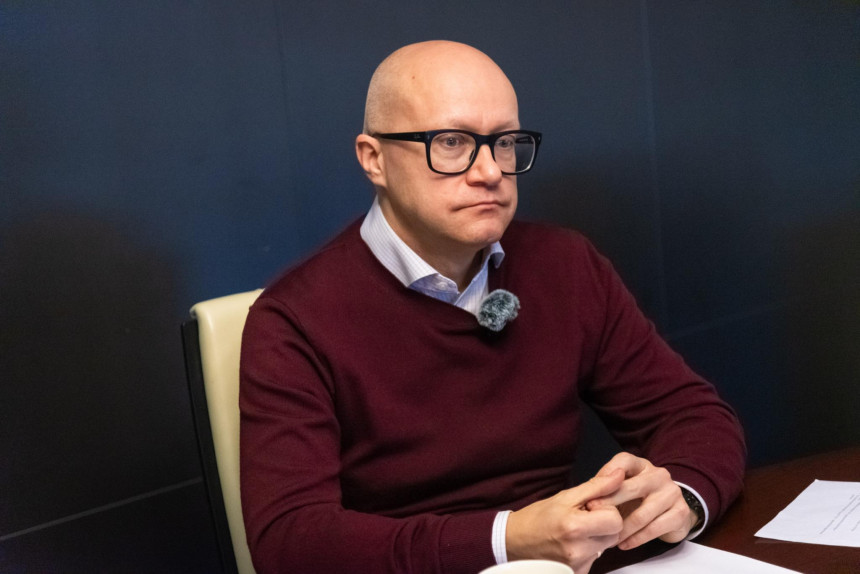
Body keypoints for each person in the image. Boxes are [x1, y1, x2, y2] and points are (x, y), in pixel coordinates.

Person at [239, 40, 746, 574]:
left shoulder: (565, 265)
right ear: (375, 159)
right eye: (451, 142)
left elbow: (695, 416)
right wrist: (510, 538)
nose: (490, 172)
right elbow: (291, 543)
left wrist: (682, 497)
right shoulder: (293, 320)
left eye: (504, 143)